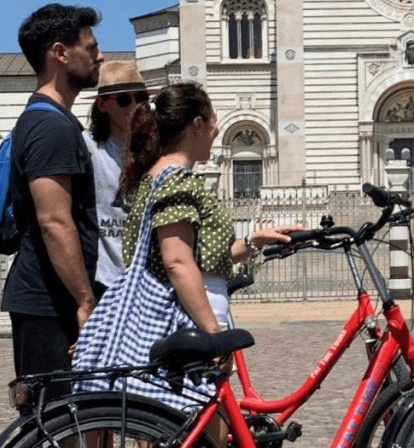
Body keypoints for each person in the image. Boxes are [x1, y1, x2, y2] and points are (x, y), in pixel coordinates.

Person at [111, 82, 297, 436]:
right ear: (197, 124)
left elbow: (201, 257)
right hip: (190, 318)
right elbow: (178, 262)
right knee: (205, 430)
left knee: (187, 428)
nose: (216, 129)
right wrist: (213, 333)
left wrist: (253, 241)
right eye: (213, 120)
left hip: (185, 313)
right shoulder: (177, 180)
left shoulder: (155, 178)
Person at [0, 3, 104, 409]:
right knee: (61, 424)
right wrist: (84, 300)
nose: (99, 55)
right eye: (90, 47)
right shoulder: (49, 127)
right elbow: (54, 221)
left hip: (50, 300)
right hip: (49, 304)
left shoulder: (52, 120)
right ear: (60, 53)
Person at [83, 60, 151, 297]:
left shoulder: (155, 151)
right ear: (102, 104)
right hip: (104, 280)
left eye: (141, 97)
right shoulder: (88, 147)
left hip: (148, 279)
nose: (134, 106)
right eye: (124, 99)